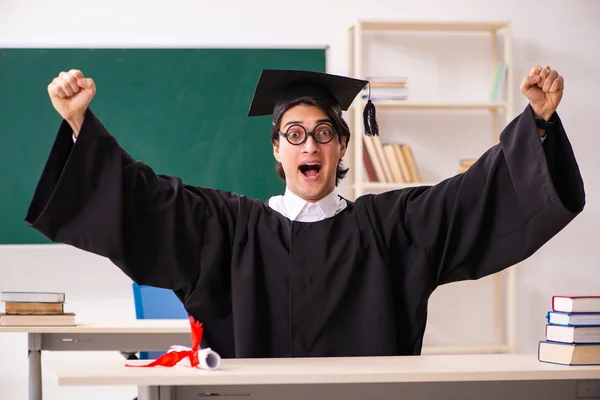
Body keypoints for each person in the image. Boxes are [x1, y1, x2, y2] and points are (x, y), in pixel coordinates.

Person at [25, 65, 584, 359]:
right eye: (293, 135)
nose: (309, 146)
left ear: (342, 147)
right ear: (276, 151)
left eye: (323, 134)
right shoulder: (230, 229)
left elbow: (472, 198)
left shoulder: (390, 228)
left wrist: (534, 123)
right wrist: (80, 126)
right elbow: (144, 200)